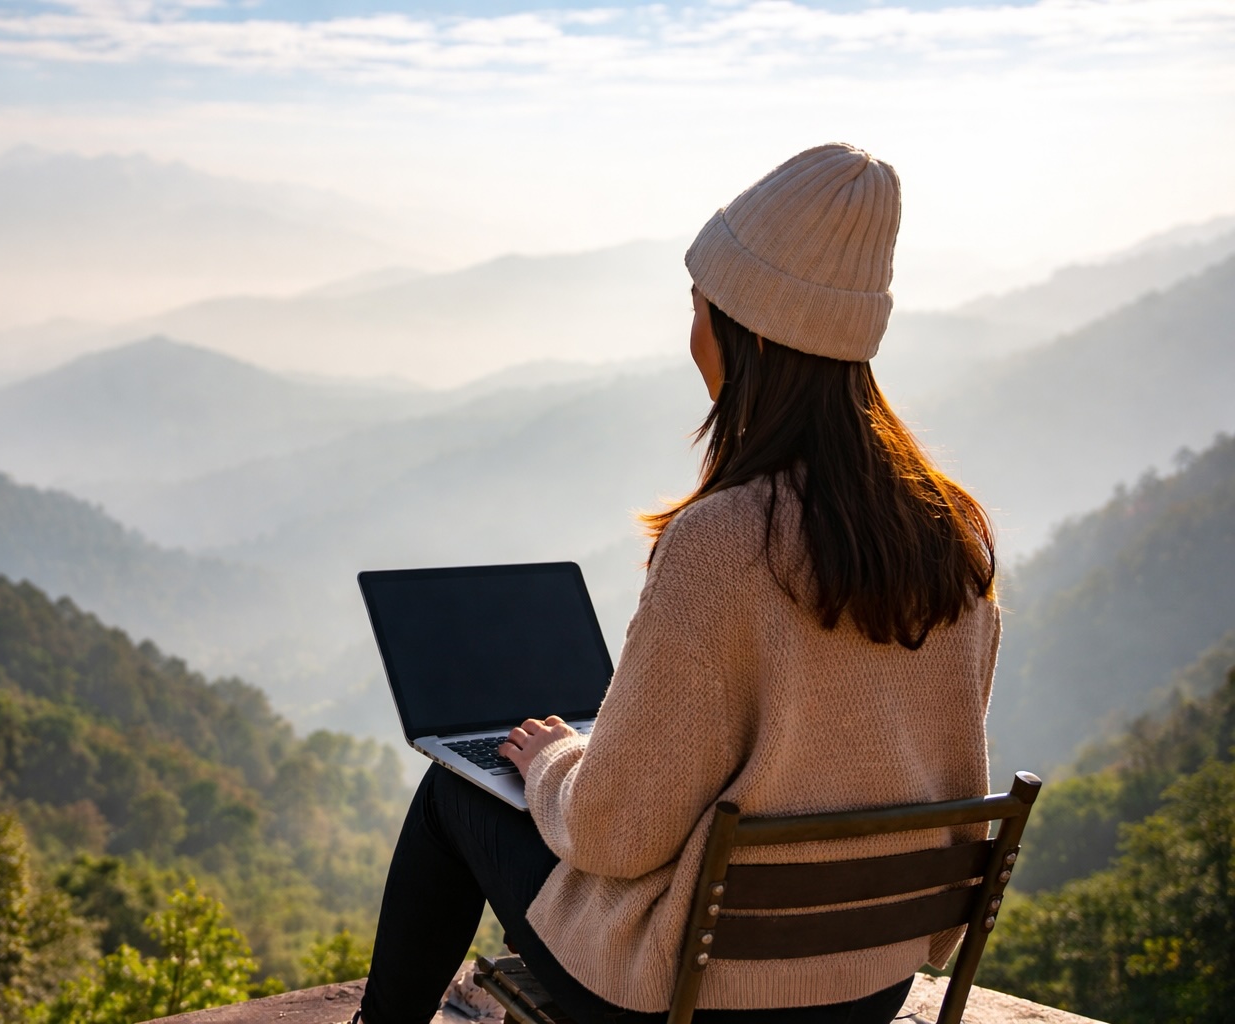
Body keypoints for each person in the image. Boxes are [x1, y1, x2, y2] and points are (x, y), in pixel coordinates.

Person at [358, 143, 999, 1024]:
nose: (693, 330)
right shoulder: (953, 534)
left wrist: (553, 761)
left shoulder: (724, 541)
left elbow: (618, 836)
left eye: (700, 307)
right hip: (870, 982)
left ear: (752, 330)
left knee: (451, 793)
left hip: (700, 993)